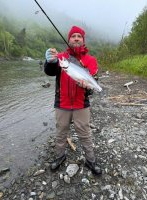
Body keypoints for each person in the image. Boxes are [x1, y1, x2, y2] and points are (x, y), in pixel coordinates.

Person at [44, 26, 101, 175]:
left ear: (83, 40)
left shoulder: (90, 60)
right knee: (61, 133)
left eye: (79, 36)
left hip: (81, 104)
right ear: (69, 39)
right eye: (73, 36)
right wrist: (49, 61)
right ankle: (60, 156)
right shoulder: (61, 57)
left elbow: (92, 85)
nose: (76, 38)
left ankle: (90, 160)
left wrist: (87, 86)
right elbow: (50, 72)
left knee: (85, 134)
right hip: (61, 103)